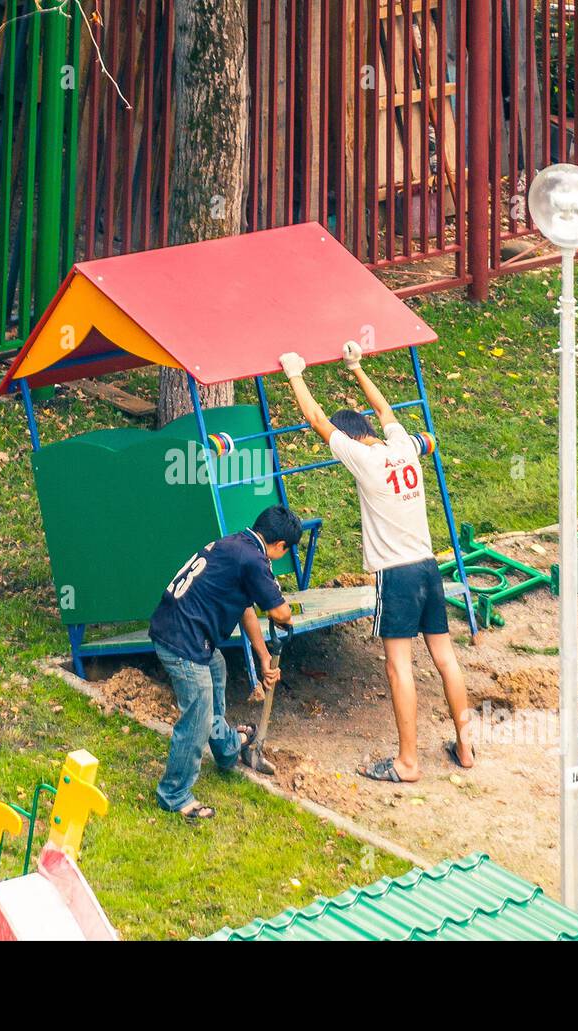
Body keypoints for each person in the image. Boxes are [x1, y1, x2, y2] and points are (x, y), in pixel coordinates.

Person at [278, 344, 473, 782]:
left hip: (398, 575)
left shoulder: (362, 460)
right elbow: (385, 407)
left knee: (397, 665)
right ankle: (465, 747)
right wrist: (358, 368)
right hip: (427, 566)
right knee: (445, 657)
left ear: (351, 438)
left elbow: (316, 420)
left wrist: (294, 375)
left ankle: (407, 763)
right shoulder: (404, 446)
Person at [148, 505, 300, 819]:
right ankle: (174, 795)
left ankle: (229, 748)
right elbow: (280, 613)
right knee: (198, 715)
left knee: (217, 669)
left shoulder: (235, 546)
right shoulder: (254, 561)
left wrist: (263, 658)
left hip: (183, 632)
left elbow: (246, 609)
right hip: (182, 641)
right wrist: (285, 617)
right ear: (281, 547)